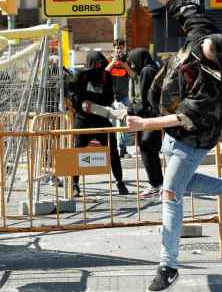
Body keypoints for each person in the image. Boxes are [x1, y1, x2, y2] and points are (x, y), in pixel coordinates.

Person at [115, 0, 222, 292]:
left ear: (215, 62)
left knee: (171, 194)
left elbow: (180, 118)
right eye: (207, 43)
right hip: (173, 138)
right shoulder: (204, 33)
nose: (205, 44)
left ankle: (168, 265)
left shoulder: (212, 91)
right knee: (179, 185)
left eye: (209, 48)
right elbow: (175, 3)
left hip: (192, 140)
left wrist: (143, 124)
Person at [69, 51, 128, 196]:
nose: (99, 67)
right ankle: (75, 185)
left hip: (101, 119)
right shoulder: (81, 76)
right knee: (77, 152)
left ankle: (120, 182)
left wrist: (99, 105)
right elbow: (72, 95)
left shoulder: (105, 76)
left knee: (113, 150)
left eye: (102, 64)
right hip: (83, 120)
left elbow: (109, 97)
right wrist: (81, 103)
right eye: (97, 64)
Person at [125, 47, 164, 199]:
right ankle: (157, 183)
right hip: (155, 116)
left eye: (133, 61)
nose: (132, 64)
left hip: (153, 117)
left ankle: (156, 184)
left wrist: (130, 110)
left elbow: (145, 99)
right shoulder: (153, 68)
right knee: (149, 148)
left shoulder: (147, 71)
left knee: (147, 146)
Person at [106, 39, 132, 158]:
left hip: (124, 97)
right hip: (110, 97)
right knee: (111, 124)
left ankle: (123, 150)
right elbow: (105, 72)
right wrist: (113, 62)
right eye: (117, 48)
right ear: (114, 49)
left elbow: (132, 75)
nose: (119, 50)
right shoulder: (108, 59)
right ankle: (111, 150)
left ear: (124, 48)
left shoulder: (128, 60)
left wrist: (124, 64)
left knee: (123, 124)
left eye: (121, 48)